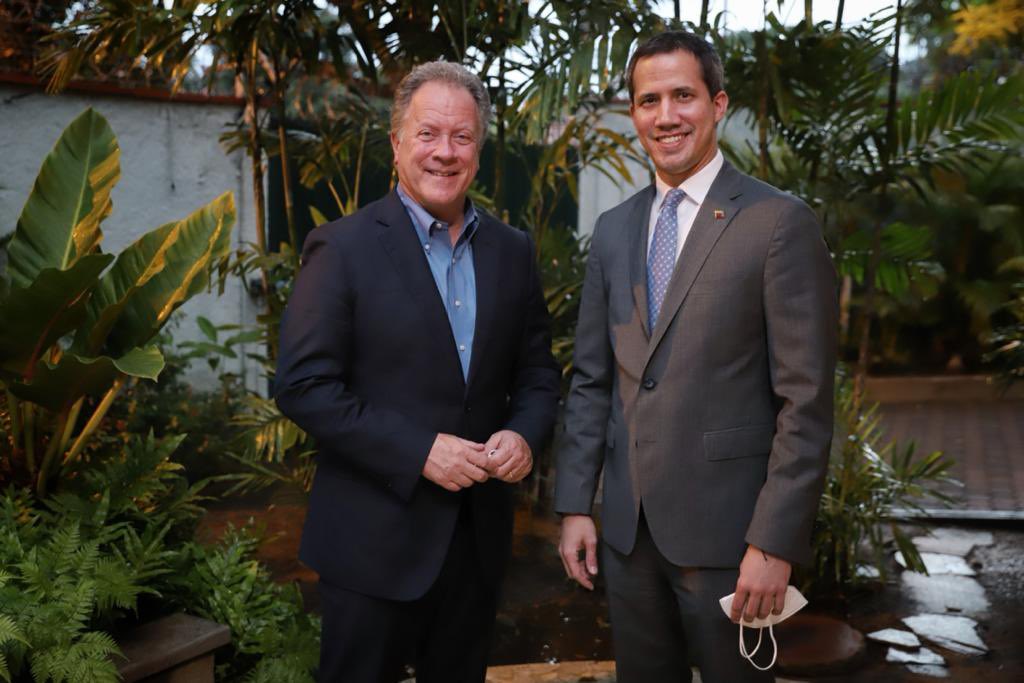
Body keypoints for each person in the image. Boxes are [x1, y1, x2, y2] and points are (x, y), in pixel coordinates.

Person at [555, 30, 838, 682]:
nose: (665, 115)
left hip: (731, 538)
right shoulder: (613, 230)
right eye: (648, 100)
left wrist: (773, 541)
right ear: (634, 115)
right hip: (627, 538)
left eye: (682, 95)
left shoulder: (777, 223)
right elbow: (594, 378)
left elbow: (806, 399)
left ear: (717, 103)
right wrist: (575, 504)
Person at [275, 61, 560, 683]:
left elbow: (539, 373)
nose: (445, 152)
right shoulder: (342, 247)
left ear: (479, 152)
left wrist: (524, 435)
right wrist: (418, 450)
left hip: (475, 543)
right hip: (371, 543)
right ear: (398, 142)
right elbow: (302, 386)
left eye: (462, 137)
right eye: (429, 134)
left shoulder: (512, 252)